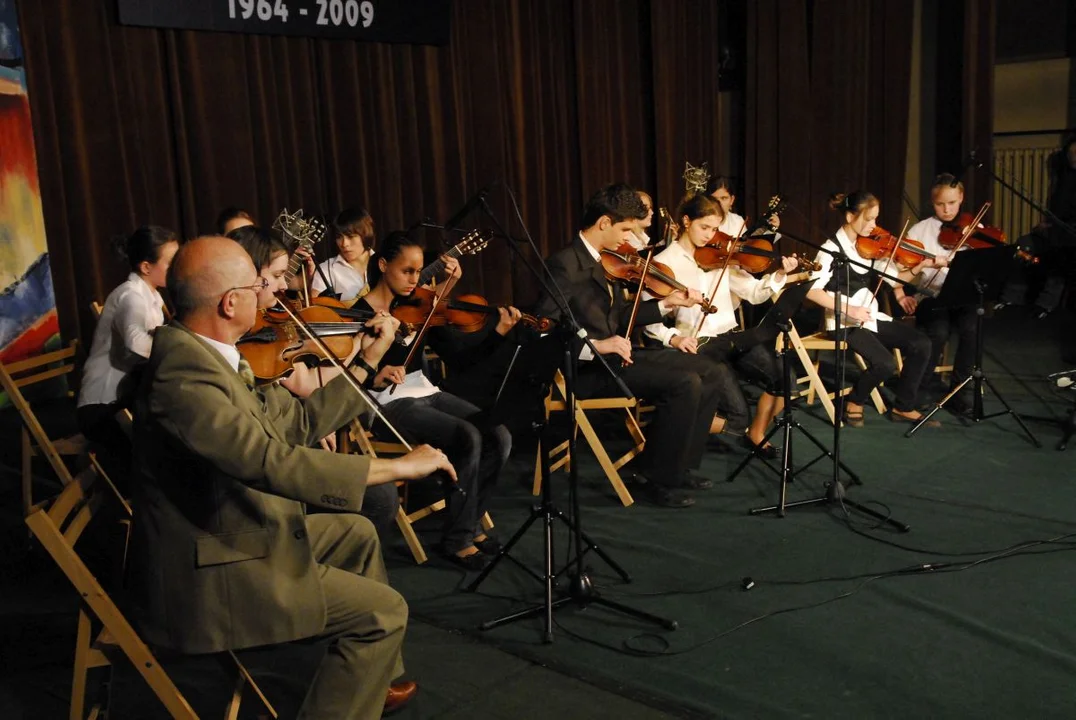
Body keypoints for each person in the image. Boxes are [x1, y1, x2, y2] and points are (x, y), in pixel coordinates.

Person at [130, 236, 455, 719]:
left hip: (231, 536)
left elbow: (296, 425)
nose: (270, 295)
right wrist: (399, 467)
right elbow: (267, 461)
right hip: (213, 577)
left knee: (356, 531)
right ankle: (356, 678)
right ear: (229, 301)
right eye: (257, 285)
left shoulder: (208, 354)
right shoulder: (183, 377)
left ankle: (371, 679)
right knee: (384, 613)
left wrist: (365, 362)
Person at [533, 183, 727, 508]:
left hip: (614, 358)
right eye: (625, 228)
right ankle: (654, 477)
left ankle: (678, 467)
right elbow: (544, 331)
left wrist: (668, 304)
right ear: (604, 223)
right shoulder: (564, 264)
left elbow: (622, 316)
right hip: (584, 369)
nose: (629, 237)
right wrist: (597, 344)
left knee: (712, 371)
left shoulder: (606, 259)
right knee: (685, 382)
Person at [228, 225, 403, 538]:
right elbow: (305, 391)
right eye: (280, 275)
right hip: (265, 469)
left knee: (380, 495)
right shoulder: (234, 347)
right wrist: (361, 357)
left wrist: (360, 351)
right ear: (253, 277)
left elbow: (304, 401)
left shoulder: (264, 328)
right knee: (379, 496)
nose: (285, 287)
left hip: (287, 439)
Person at [352, 231, 513, 569]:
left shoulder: (421, 305)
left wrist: (493, 331)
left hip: (422, 389)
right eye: (406, 271)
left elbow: (460, 358)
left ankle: (468, 524)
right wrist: (374, 373)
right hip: (383, 402)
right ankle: (457, 540)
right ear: (382, 265)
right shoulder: (358, 314)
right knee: (467, 436)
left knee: (498, 434)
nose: (415, 279)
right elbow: (346, 372)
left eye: (419, 271)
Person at [645, 193, 799, 457]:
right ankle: (668, 426)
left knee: (786, 379)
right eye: (704, 227)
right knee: (737, 416)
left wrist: (780, 275)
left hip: (731, 339)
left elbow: (753, 292)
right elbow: (650, 320)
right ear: (685, 221)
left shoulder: (720, 256)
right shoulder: (665, 261)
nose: (710, 235)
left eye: (715, 228)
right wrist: (675, 338)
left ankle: (757, 433)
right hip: (699, 346)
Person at [806, 191, 941, 427]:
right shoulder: (830, 249)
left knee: (922, 343)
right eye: (868, 219)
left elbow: (897, 277)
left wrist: (922, 265)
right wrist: (849, 309)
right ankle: (855, 400)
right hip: (842, 321)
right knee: (885, 364)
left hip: (868, 316)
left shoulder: (871, 246)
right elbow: (811, 291)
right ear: (849, 217)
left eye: (876, 219)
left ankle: (903, 407)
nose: (874, 226)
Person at [77, 226, 180, 484]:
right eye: (171, 263)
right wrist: (175, 351)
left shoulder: (152, 295)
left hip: (124, 400)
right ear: (146, 267)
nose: (178, 268)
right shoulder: (130, 296)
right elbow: (135, 342)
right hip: (104, 407)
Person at [903, 174, 978, 409]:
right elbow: (902, 270)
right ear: (931, 202)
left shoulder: (974, 228)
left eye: (952, 203)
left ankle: (960, 389)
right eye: (940, 204)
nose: (946, 210)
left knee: (973, 329)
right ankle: (921, 387)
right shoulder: (919, 231)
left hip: (964, 296)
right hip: (931, 296)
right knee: (939, 331)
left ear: (961, 198)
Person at [312, 206, 375, 303]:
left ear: (366, 235)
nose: (344, 244)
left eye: (351, 237)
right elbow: (315, 310)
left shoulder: (384, 263)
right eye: (339, 237)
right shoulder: (326, 269)